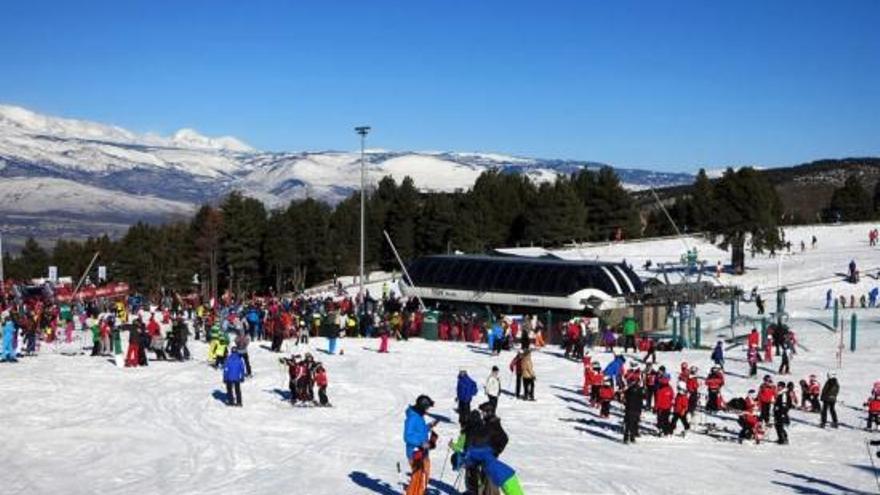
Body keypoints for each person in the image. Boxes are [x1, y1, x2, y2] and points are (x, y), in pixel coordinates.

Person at [403, 395, 438, 495]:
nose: (427, 410)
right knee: (418, 479)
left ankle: (421, 492)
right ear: (422, 406)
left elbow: (419, 431)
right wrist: (421, 443)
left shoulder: (419, 416)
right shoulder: (413, 418)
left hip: (423, 452)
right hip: (415, 453)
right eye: (427, 407)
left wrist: (429, 426)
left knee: (424, 475)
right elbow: (407, 436)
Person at [622, 374, 644, 444]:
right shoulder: (631, 389)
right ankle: (629, 438)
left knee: (632, 424)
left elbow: (643, 398)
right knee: (631, 424)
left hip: (634, 409)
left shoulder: (637, 390)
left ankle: (630, 437)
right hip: (632, 409)